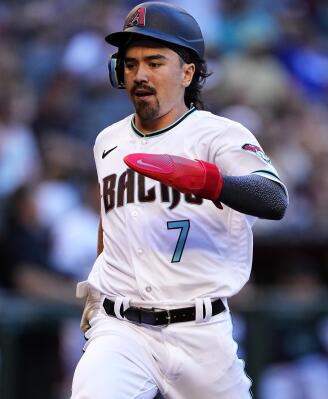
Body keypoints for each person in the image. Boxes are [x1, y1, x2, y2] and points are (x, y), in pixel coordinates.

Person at [71, 2, 287, 398]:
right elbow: (111, 220)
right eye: (130, 63)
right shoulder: (107, 141)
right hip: (122, 331)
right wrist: (100, 284)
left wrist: (209, 181)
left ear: (187, 72)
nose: (140, 74)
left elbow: (274, 199)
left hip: (201, 333)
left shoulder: (217, 135)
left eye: (154, 62)